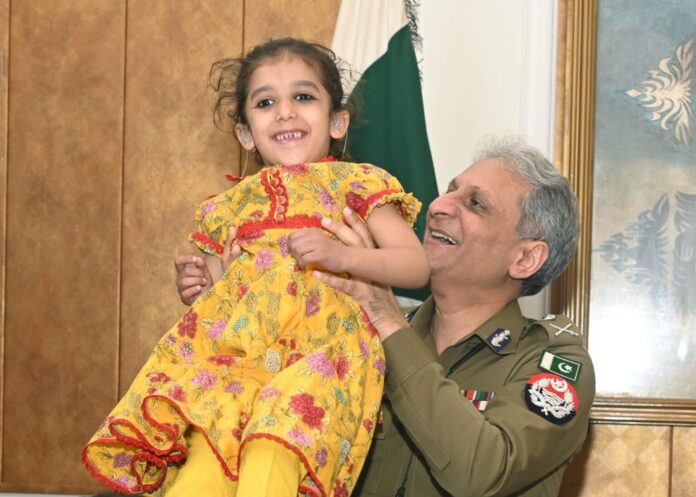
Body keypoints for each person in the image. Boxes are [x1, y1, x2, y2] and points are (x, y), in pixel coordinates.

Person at [82, 38, 429, 497]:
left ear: (338, 121)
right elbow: (221, 288)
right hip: (239, 367)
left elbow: (415, 266)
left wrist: (345, 256)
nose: (285, 112)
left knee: (272, 455)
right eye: (266, 103)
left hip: (320, 362)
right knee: (204, 469)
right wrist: (202, 282)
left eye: (303, 96)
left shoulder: (358, 185)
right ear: (246, 134)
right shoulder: (231, 206)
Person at [177, 136, 596, 496]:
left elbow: (480, 471)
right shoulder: (351, 330)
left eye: (475, 204)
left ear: (525, 258)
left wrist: (388, 321)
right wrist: (236, 304)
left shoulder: (552, 363)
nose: (438, 206)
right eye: (450, 190)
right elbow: (264, 429)